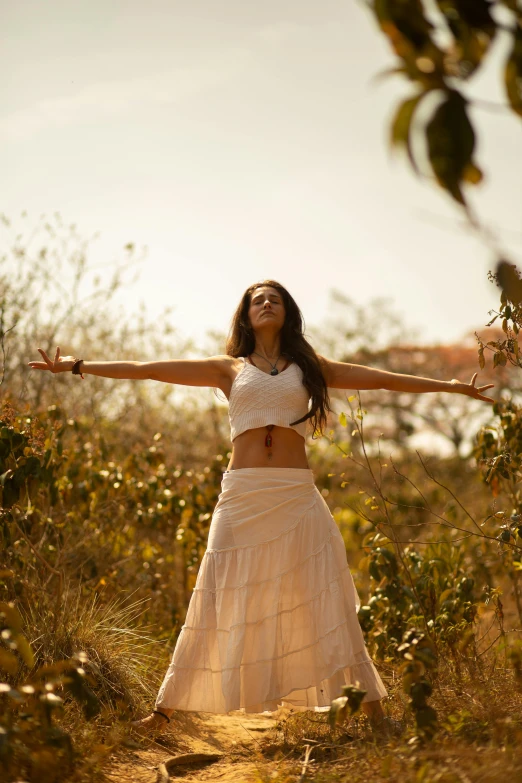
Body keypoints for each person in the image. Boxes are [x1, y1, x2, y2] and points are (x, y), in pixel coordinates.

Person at [28, 280, 494, 737]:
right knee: (215, 593)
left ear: (286, 311)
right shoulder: (227, 368)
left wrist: (451, 386)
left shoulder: (312, 367)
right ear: (246, 315)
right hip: (243, 495)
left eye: (275, 299)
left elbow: (385, 380)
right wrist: (77, 366)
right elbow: (148, 367)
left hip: (295, 494)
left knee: (324, 596)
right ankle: (166, 712)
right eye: (257, 300)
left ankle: (374, 715)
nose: (267, 304)